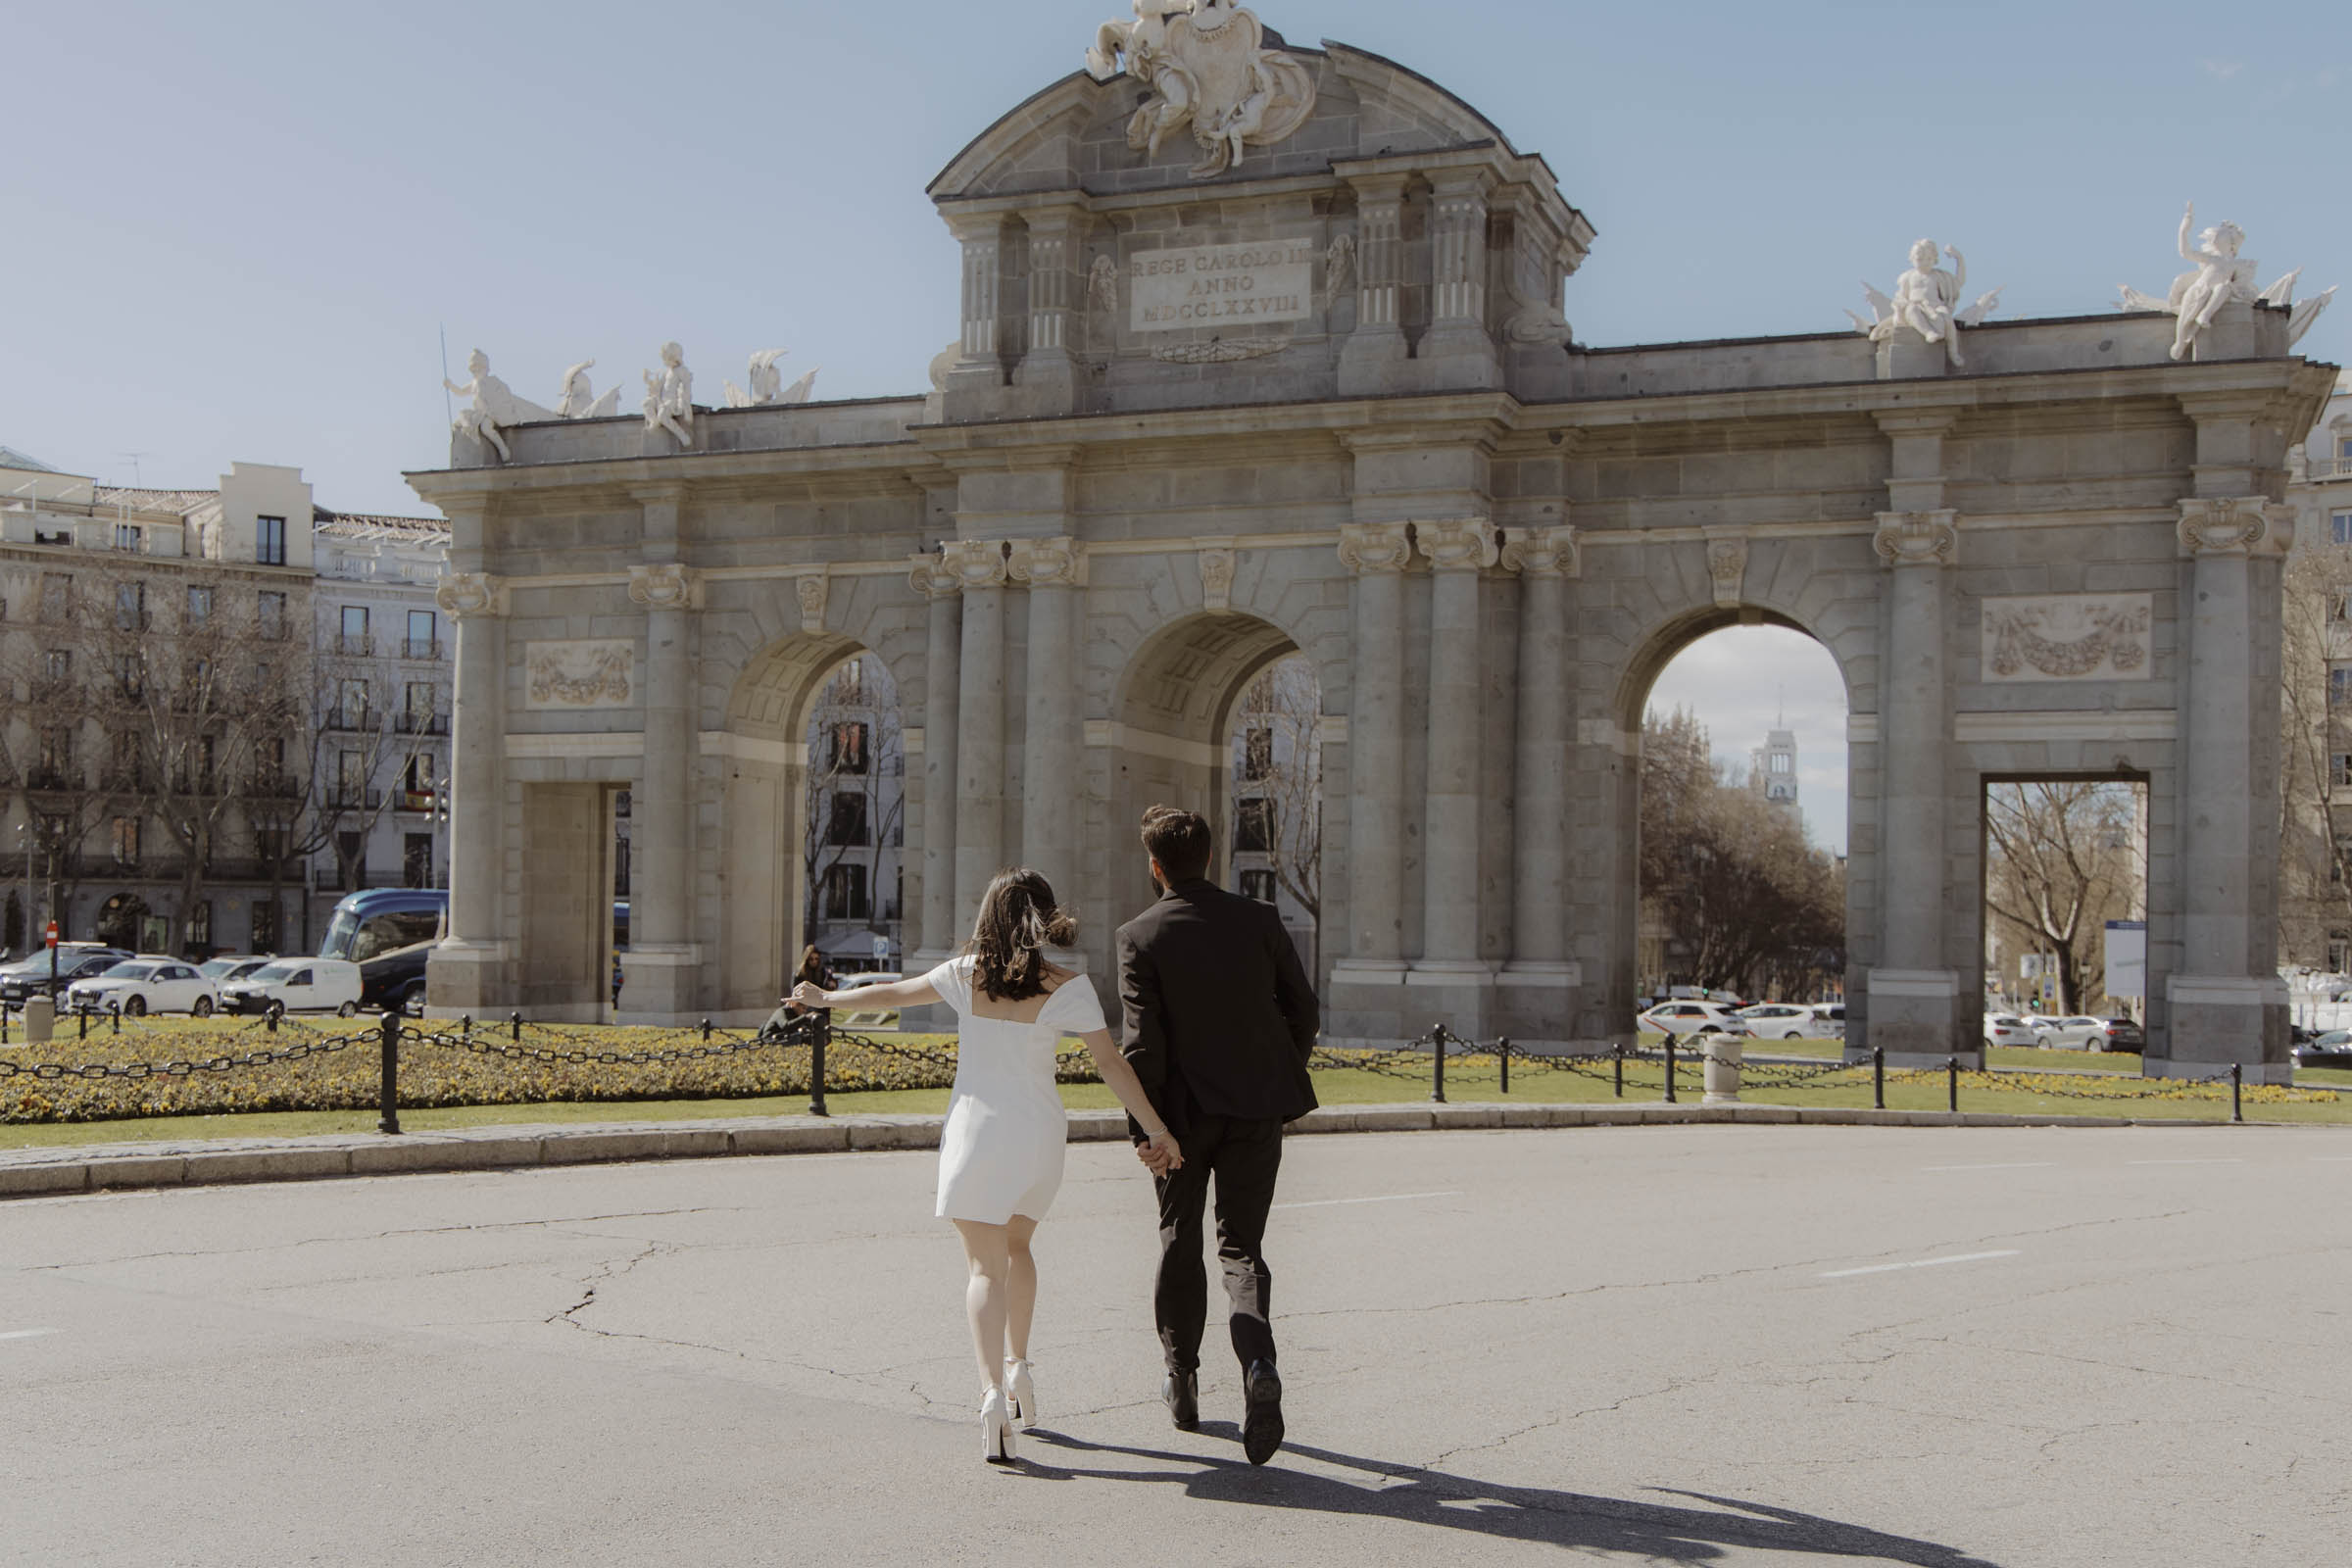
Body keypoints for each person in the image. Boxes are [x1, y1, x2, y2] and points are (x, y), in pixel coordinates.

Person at [793, 869, 1179, 1465]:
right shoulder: (1068, 986)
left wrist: (826, 999)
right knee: (1019, 1249)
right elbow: (1112, 1066)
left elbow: (892, 994)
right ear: (1044, 917)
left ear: (988, 916)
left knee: (982, 1270)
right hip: (1038, 1138)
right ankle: (1020, 1367)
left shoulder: (962, 976)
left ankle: (991, 1395)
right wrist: (1156, 1128)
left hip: (976, 1137)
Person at [1116, 804, 1319, 1466]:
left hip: (1178, 1121)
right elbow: (1303, 1009)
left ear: (1155, 867)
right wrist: (1273, 1070)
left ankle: (1183, 1378)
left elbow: (1142, 1046)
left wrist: (1146, 1131)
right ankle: (1259, 1364)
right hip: (1256, 1111)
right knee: (1242, 1250)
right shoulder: (1259, 922)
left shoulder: (1139, 936)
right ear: (1210, 856)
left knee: (1180, 1242)